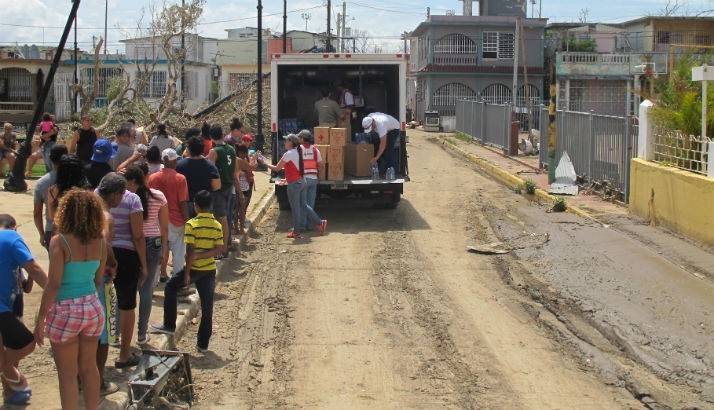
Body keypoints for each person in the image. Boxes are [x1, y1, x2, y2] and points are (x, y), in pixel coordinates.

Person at [34, 189, 106, 410]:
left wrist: (39, 321)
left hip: (65, 310)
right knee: (89, 367)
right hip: (92, 307)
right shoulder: (101, 241)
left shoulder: (60, 241)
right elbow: (97, 279)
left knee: (67, 374)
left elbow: (53, 284)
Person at [151, 190, 222, 353]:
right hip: (209, 270)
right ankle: (203, 345)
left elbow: (190, 251)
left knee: (170, 288)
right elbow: (219, 249)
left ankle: (169, 325)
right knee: (207, 308)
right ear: (210, 206)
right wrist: (203, 255)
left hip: (194, 268)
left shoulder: (191, 224)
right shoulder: (217, 225)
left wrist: (188, 273)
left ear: (196, 206)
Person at [0, 214, 48, 406]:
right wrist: (57, 294)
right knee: (27, 343)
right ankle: (13, 382)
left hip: (8, 306)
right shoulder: (11, 237)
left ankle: (11, 392)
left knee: (5, 351)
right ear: (15, 227)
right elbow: (35, 269)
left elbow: (27, 283)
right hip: (3, 308)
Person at [124, 166, 167, 345]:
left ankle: (119, 331)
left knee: (127, 288)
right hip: (153, 243)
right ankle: (142, 333)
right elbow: (164, 227)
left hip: (131, 243)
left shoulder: (125, 199)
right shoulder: (158, 197)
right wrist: (164, 250)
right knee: (147, 289)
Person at [108, 172, 147, 368]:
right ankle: (124, 354)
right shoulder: (132, 199)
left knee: (103, 303)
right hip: (127, 255)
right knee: (127, 305)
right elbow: (138, 235)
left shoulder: (95, 196)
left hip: (102, 254)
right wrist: (144, 264)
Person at [94, 174, 124, 395]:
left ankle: (81, 376)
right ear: (114, 194)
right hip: (101, 277)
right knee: (103, 333)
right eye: (121, 195)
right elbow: (105, 243)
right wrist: (112, 263)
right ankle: (98, 380)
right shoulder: (106, 216)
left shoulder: (88, 209)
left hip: (82, 275)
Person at [149, 148, 189, 284]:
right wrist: (187, 220)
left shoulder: (152, 178)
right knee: (178, 253)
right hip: (176, 221)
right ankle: (178, 283)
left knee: (158, 252)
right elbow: (183, 202)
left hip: (157, 221)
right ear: (174, 161)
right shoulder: (180, 178)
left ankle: (152, 284)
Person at [265, 134, 305, 239]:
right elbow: (293, 168)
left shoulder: (288, 154)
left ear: (291, 142)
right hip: (300, 181)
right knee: (300, 206)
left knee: (295, 208)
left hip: (294, 184)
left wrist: (264, 163)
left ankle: (296, 231)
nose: (284, 142)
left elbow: (277, 168)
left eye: (286, 140)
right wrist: (286, 179)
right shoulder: (296, 152)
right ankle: (305, 227)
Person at [34, 144, 69, 250]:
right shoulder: (77, 178)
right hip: (73, 229)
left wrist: (41, 234)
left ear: (50, 158)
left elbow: (37, 213)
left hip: (52, 229)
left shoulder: (42, 183)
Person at [206, 125, 235, 252]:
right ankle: (228, 242)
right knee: (227, 216)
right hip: (230, 185)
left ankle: (222, 247)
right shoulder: (231, 149)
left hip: (219, 188)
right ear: (223, 134)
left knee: (219, 217)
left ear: (211, 137)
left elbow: (210, 169)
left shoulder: (214, 151)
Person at [176, 137, 221, 217]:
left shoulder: (179, 165)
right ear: (202, 150)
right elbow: (217, 186)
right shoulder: (210, 166)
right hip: (205, 204)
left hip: (186, 204)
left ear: (189, 149)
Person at [297, 130, 327, 234]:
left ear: (302, 139)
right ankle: (309, 225)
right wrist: (319, 176)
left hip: (304, 179)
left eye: (299, 138)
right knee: (310, 204)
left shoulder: (298, 149)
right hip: (314, 179)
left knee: (303, 204)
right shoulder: (315, 150)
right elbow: (321, 165)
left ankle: (303, 226)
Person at [47, 154, 89, 224]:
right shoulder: (86, 190)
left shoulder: (52, 190)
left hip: (62, 232)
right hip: (82, 231)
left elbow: (52, 216)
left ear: (60, 171)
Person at [233, 145, 256, 235]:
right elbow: (252, 168)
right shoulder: (241, 161)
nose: (244, 154)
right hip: (242, 188)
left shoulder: (237, 160)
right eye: (243, 152)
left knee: (239, 210)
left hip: (241, 188)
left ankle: (238, 228)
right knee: (240, 210)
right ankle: (239, 228)